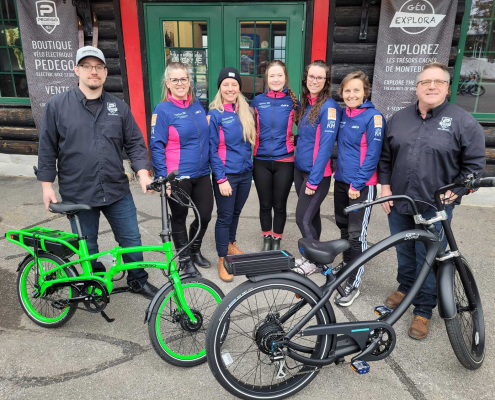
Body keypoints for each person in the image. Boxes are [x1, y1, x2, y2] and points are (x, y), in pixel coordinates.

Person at [37, 46, 158, 299]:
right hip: (78, 193)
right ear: (77, 70)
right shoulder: (57, 106)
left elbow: (135, 143)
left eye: (98, 67)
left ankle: (138, 279)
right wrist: (47, 186)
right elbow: (47, 148)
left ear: (105, 72)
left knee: (131, 240)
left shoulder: (118, 107)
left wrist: (143, 172)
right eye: (87, 66)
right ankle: (94, 280)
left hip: (116, 190)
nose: (94, 71)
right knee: (87, 246)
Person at [378, 62, 486, 339]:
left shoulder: (463, 122)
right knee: (404, 250)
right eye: (425, 82)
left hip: (434, 207)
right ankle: (405, 287)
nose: (431, 86)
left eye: (438, 82)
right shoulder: (399, 119)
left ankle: (423, 310)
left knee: (427, 257)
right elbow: (386, 158)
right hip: (400, 201)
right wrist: (385, 187)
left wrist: (459, 191)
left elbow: (474, 166)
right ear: (416, 88)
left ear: (448, 88)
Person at [150, 62, 212, 277]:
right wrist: (162, 178)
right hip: (177, 176)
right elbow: (157, 144)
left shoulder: (197, 105)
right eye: (174, 80)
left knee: (205, 216)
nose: (180, 83)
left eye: (183, 79)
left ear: (189, 81)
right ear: (167, 83)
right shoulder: (162, 109)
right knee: (179, 216)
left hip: (203, 173)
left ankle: (195, 250)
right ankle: (184, 261)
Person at [333, 71, 385, 307]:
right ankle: (347, 265)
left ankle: (354, 282)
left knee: (357, 235)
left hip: (360, 186)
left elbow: (373, 155)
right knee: (343, 227)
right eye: (347, 90)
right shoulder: (343, 114)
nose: (351, 94)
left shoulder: (374, 118)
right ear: (341, 93)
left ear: (366, 92)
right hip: (342, 182)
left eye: (356, 90)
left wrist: (358, 184)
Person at [292, 60, 341, 276]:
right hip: (300, 170)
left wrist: (313, 179)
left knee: (302, 217)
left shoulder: (329, 107)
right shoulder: (307, 104)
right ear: (306, 78)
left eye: (320, 77)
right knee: (312, 217)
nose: (315, 80)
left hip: (316, 175)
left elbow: (325, 147)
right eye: (312, 76)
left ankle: (314, 260)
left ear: (326, 81)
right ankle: (315, 256)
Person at [209, 67, 256, 282]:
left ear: (239, 87)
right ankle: (222, 258)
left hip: (245, 174)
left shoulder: (246, 111)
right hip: (226, 175)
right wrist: (221, 178)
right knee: (225, 217)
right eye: (226, 85)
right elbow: (212, 149)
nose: (230, 88)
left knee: (236, 213)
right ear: (220, 87)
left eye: (234, 84)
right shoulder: (215, 114)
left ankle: (231, 244)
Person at [251, 60, 299, 251]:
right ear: (267, 78)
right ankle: (267, 239)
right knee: (265, 204)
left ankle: (277, 241)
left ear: (285, 77)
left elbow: (307, 127)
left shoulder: (293, 102)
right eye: (272, 75)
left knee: (279, 205)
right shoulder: (257, 101)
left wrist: (297, 140)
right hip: (261, 161)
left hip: (284, 161)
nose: (276, 79)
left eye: (280, 75)